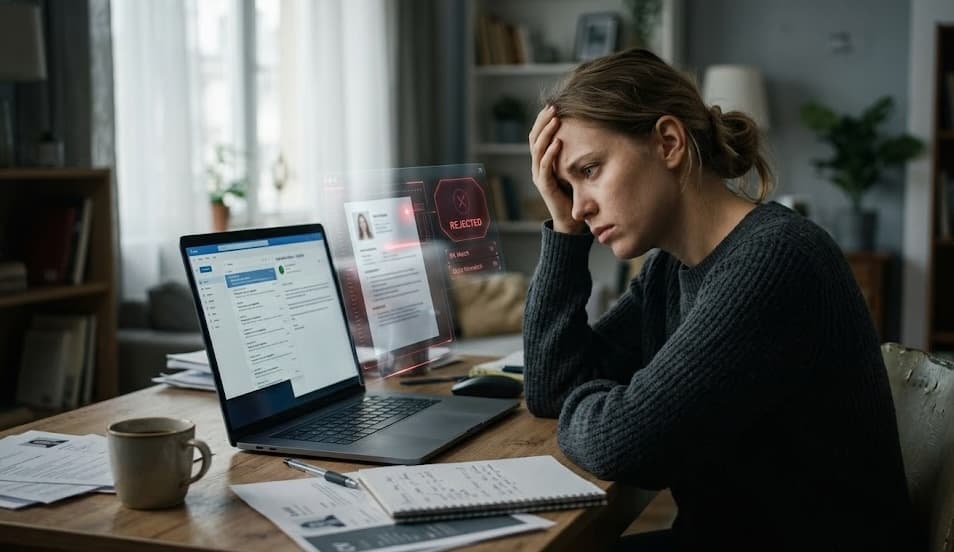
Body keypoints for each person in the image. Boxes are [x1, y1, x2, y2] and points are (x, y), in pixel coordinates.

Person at [524, 48, 912, 549]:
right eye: (565, 187)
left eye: (590, 170)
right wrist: (563, 232)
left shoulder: (777, 258)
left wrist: (612, 405)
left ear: (668, 142)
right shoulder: (669, 267)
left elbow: (626, 444)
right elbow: (553, 387)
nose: (581, 206)